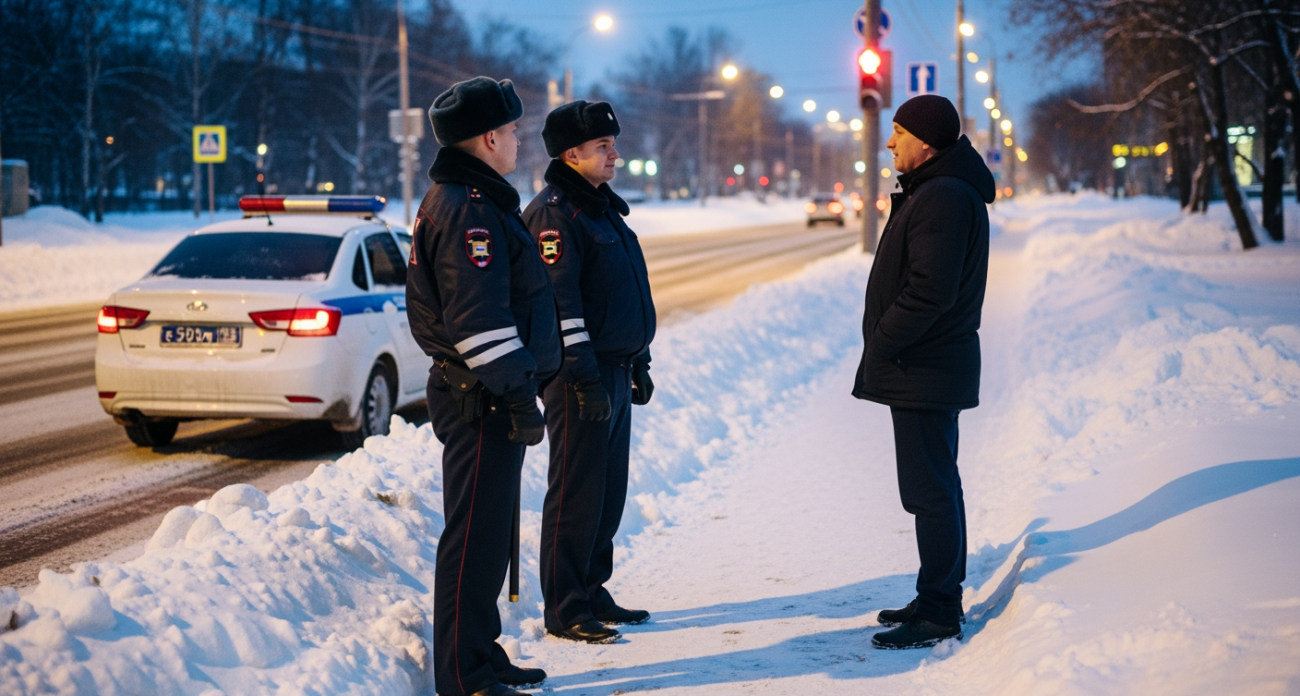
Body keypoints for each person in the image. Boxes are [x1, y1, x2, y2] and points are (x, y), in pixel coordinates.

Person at [406, 76, 561, 696]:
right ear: (489, 137)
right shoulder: (468, 209)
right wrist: (520, 395)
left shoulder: (476, 199)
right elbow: (478, 322)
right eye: (515, 130)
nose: (521, 140)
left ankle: (481, 653)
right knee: (471, 540)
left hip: (489, 394)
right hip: (481, 398)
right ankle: (464, 676)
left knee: (489, 534)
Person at [852, 94, 995, 650]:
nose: (890, 142)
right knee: (937, 485)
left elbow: (929, 293)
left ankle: (939, 610)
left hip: (924, 364)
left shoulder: (942, 197)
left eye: (898, 132)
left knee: (929, 491)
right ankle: (936, 592)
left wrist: (883, 342)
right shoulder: (941, 191)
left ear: (927, 141)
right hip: (929, 365)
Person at [522, 100, 657, 645]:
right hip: (581, 374)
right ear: (570, 153)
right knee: (577, 491)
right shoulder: (556, 214)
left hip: (614, 369)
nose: (614, 155)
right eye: (603, 147)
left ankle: (591, 587)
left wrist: (639, 359)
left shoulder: (600, 208)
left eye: (613, 144)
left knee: (607, 489)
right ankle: (565, 604)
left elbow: (626, 291)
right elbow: (562, 305)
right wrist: (581, 377)